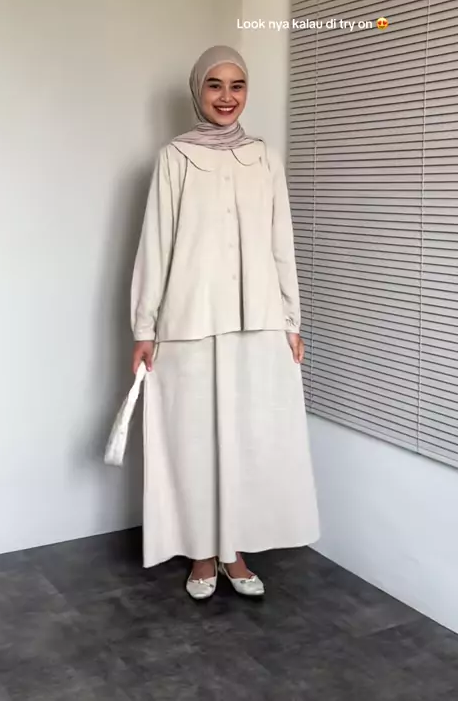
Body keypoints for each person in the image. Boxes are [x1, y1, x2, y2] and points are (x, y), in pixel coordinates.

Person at [130, 45, 319, 599]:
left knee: (247, 437)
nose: (227, 96)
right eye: (215, 84)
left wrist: (291, 320)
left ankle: (234, 550)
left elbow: (281, 243)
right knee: (194, 440)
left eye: (237, 85)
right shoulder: (175, 157)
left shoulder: (265, 158)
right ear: (199, 90)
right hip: (189, 322)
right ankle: (202, 553)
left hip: (257, 321)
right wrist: (144, 328)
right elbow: (156, 244)